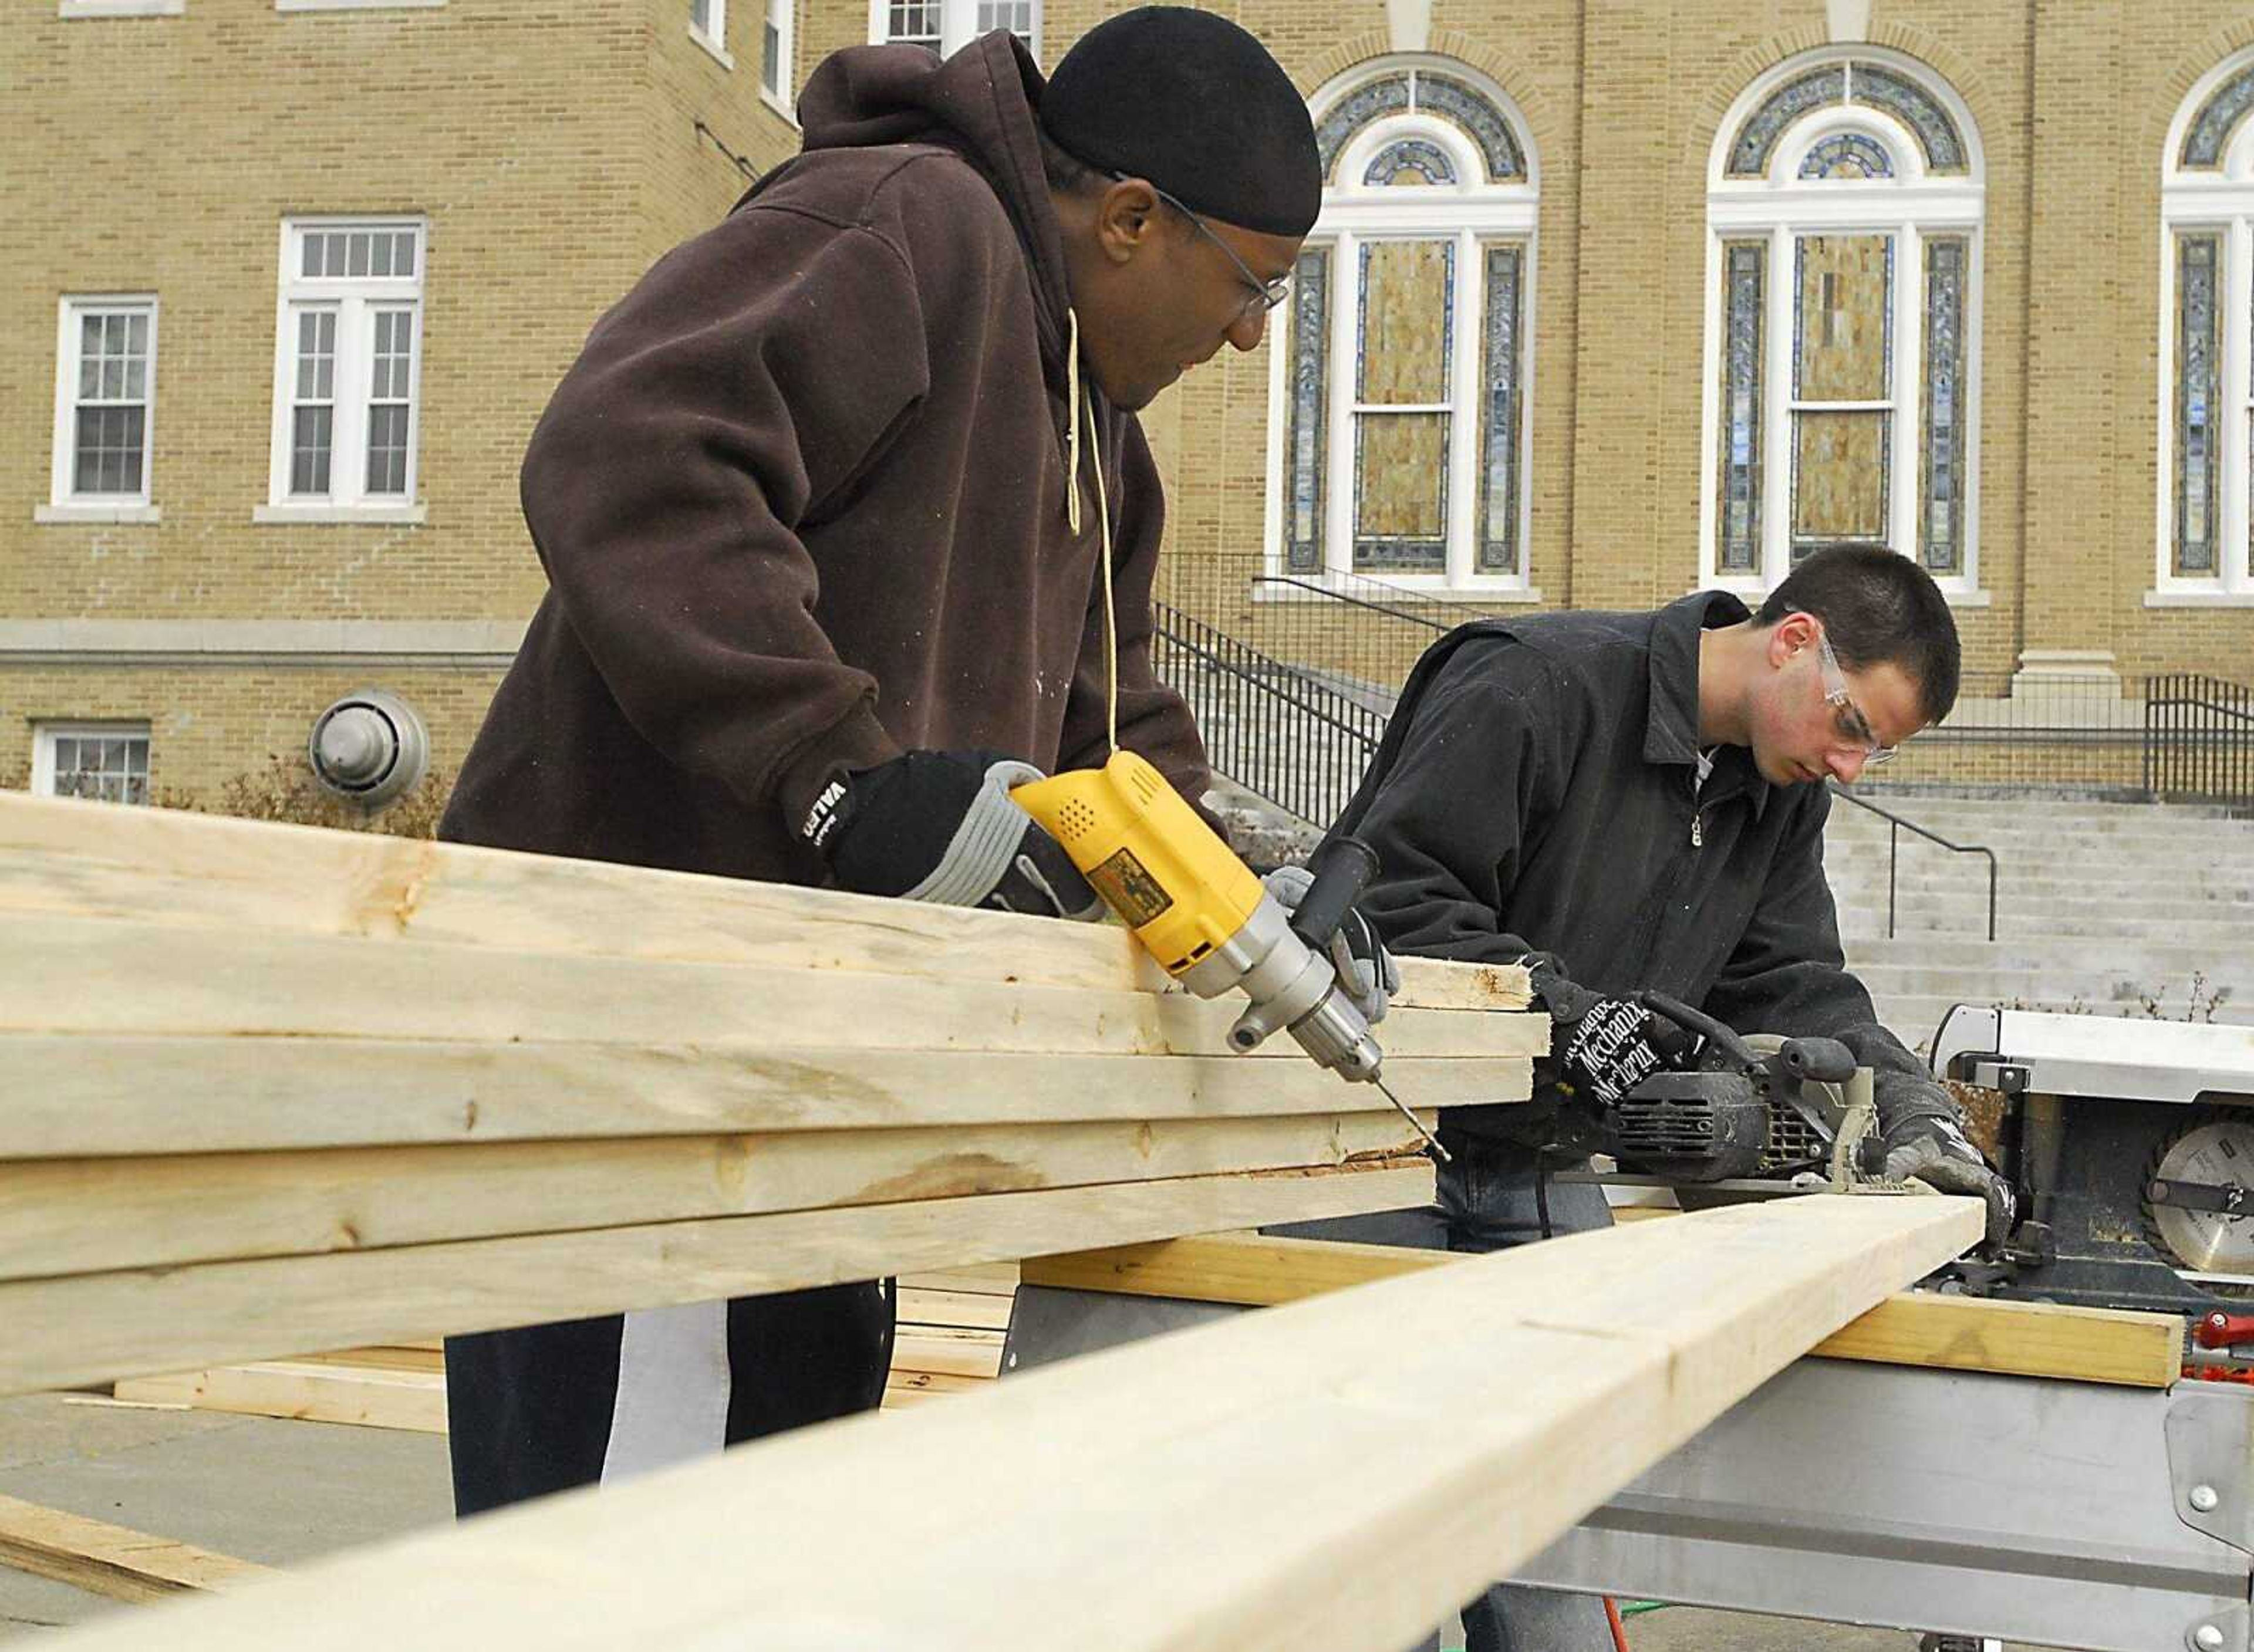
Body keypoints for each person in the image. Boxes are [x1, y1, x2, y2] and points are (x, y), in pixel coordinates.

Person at [438, 6, 1326, 1516]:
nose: (1248, 335)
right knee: (624, 1560)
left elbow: (1105, 735)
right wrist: (840, 774)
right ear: (1128, 221)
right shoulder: (904, 227)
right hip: (642, 1039)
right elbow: (634, 449)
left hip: (818, 1066)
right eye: (1253, 288)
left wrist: (1259, 891)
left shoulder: (1101, 448)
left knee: (794, 1530)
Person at [1308, 543, 2013, 1651]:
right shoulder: (1534, 684)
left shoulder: (1773, 796)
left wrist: (1911, 1106)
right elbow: (1389, 899)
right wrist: (1561, 1014)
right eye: (1856, 729)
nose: (1852, 768)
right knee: (1355, 1544)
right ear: (1794, 642)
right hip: (1369, 1139)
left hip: (1536, 1158)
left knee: (1569, 1548)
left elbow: (1794, 982)